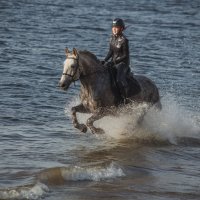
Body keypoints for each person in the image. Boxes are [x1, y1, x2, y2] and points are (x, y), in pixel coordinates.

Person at [102, 18, 130, 101]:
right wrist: (105, 60)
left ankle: (125, 99)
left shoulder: (124, 40)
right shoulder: (111, 38)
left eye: (116, 27)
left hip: (123, 64)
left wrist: (114, 62)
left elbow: (125, 55)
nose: (114, 29)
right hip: (113, 63)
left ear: (121, 29)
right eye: (113, 27)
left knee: (118, 80)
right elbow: (110, 51)